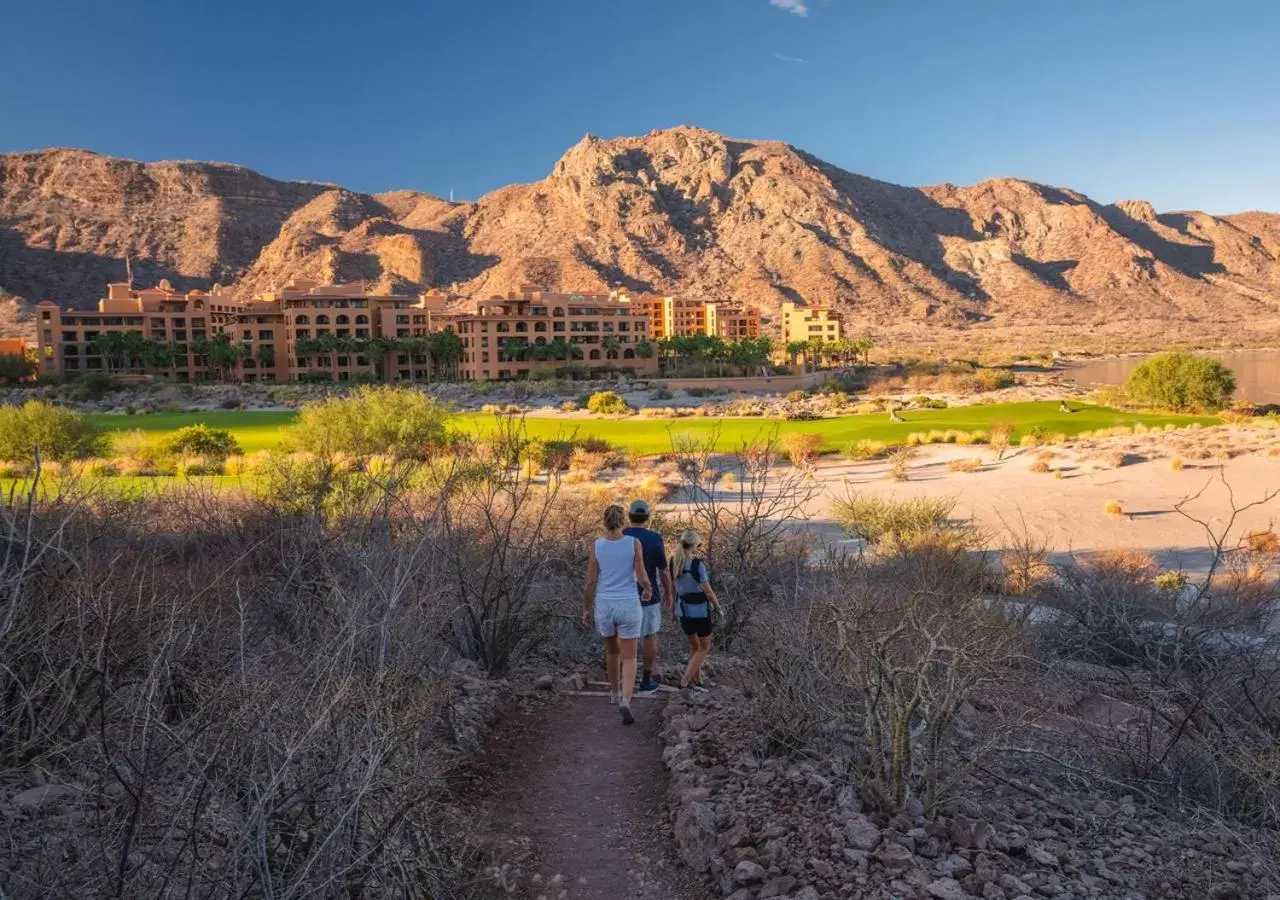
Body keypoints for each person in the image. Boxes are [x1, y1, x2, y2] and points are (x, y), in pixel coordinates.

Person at [582, 504, 653, 725]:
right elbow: (641, 573)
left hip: (605, 603)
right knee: (630, 656)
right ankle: (626, 698)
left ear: (604, 522)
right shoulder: (633, 543)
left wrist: (585, 607)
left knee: (611, 651)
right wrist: (648, 588)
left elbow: (591, 581)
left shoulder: (597, 546)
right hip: (628, 603)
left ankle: (613, 692)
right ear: (623, 522)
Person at [623, 499, 675, 695]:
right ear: (647, 517)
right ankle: (646, 681)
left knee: (626, 637)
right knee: (649, 636)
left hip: (623, 595)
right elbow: (663, 571)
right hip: (648, 596)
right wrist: (669, 593)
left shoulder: (620, 536)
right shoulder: (654, 539)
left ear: (629, 516)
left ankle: (624, 680)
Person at [669, 529, 721, 693]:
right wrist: (718, 608)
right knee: (704, 648)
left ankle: (696, 681)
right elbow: (709, 591)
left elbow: (673, 590)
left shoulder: (673, 562)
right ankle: (685, 681)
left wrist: (673, 612)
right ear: (694, 545)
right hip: (700, 612)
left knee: (694, 647)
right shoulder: (697, 564)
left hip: (683, 611)